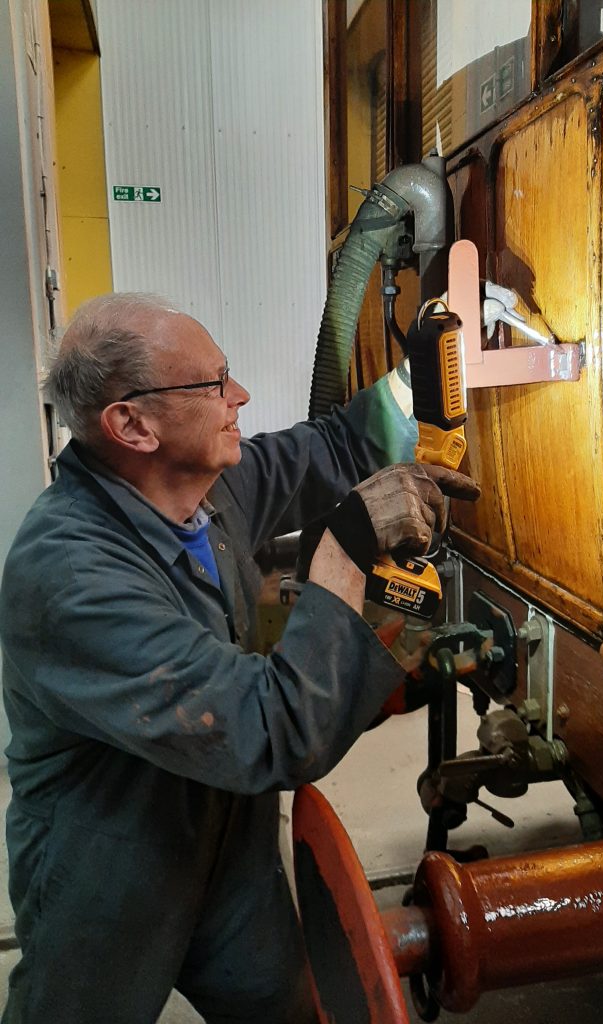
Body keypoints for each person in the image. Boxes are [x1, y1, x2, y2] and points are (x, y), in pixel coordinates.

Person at [0, 293, 480, 1024]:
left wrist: (421, 372)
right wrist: (347, 546)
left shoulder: (202, 491)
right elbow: (276, 730)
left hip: (229, 846)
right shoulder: (69, 578)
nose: (240, 396)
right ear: (132, 424)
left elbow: (330, 448)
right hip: (108, 862)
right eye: (212, 384)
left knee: (279, 1007)